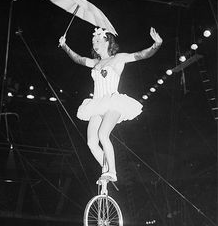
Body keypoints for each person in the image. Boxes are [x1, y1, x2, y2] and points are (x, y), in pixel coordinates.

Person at [59, 27, 162, 182]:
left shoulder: (118, 59)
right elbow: (79, 59)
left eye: (98, 40)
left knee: (103, 134)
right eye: (93, 41)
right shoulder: (95, 62)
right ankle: (105, 169)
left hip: (113, 103)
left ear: (107, 42)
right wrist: (64, 46)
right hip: (97, 104)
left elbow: (140, 55)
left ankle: (112, 172)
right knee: (91, 142)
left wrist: (157, 44)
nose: (94, 43)